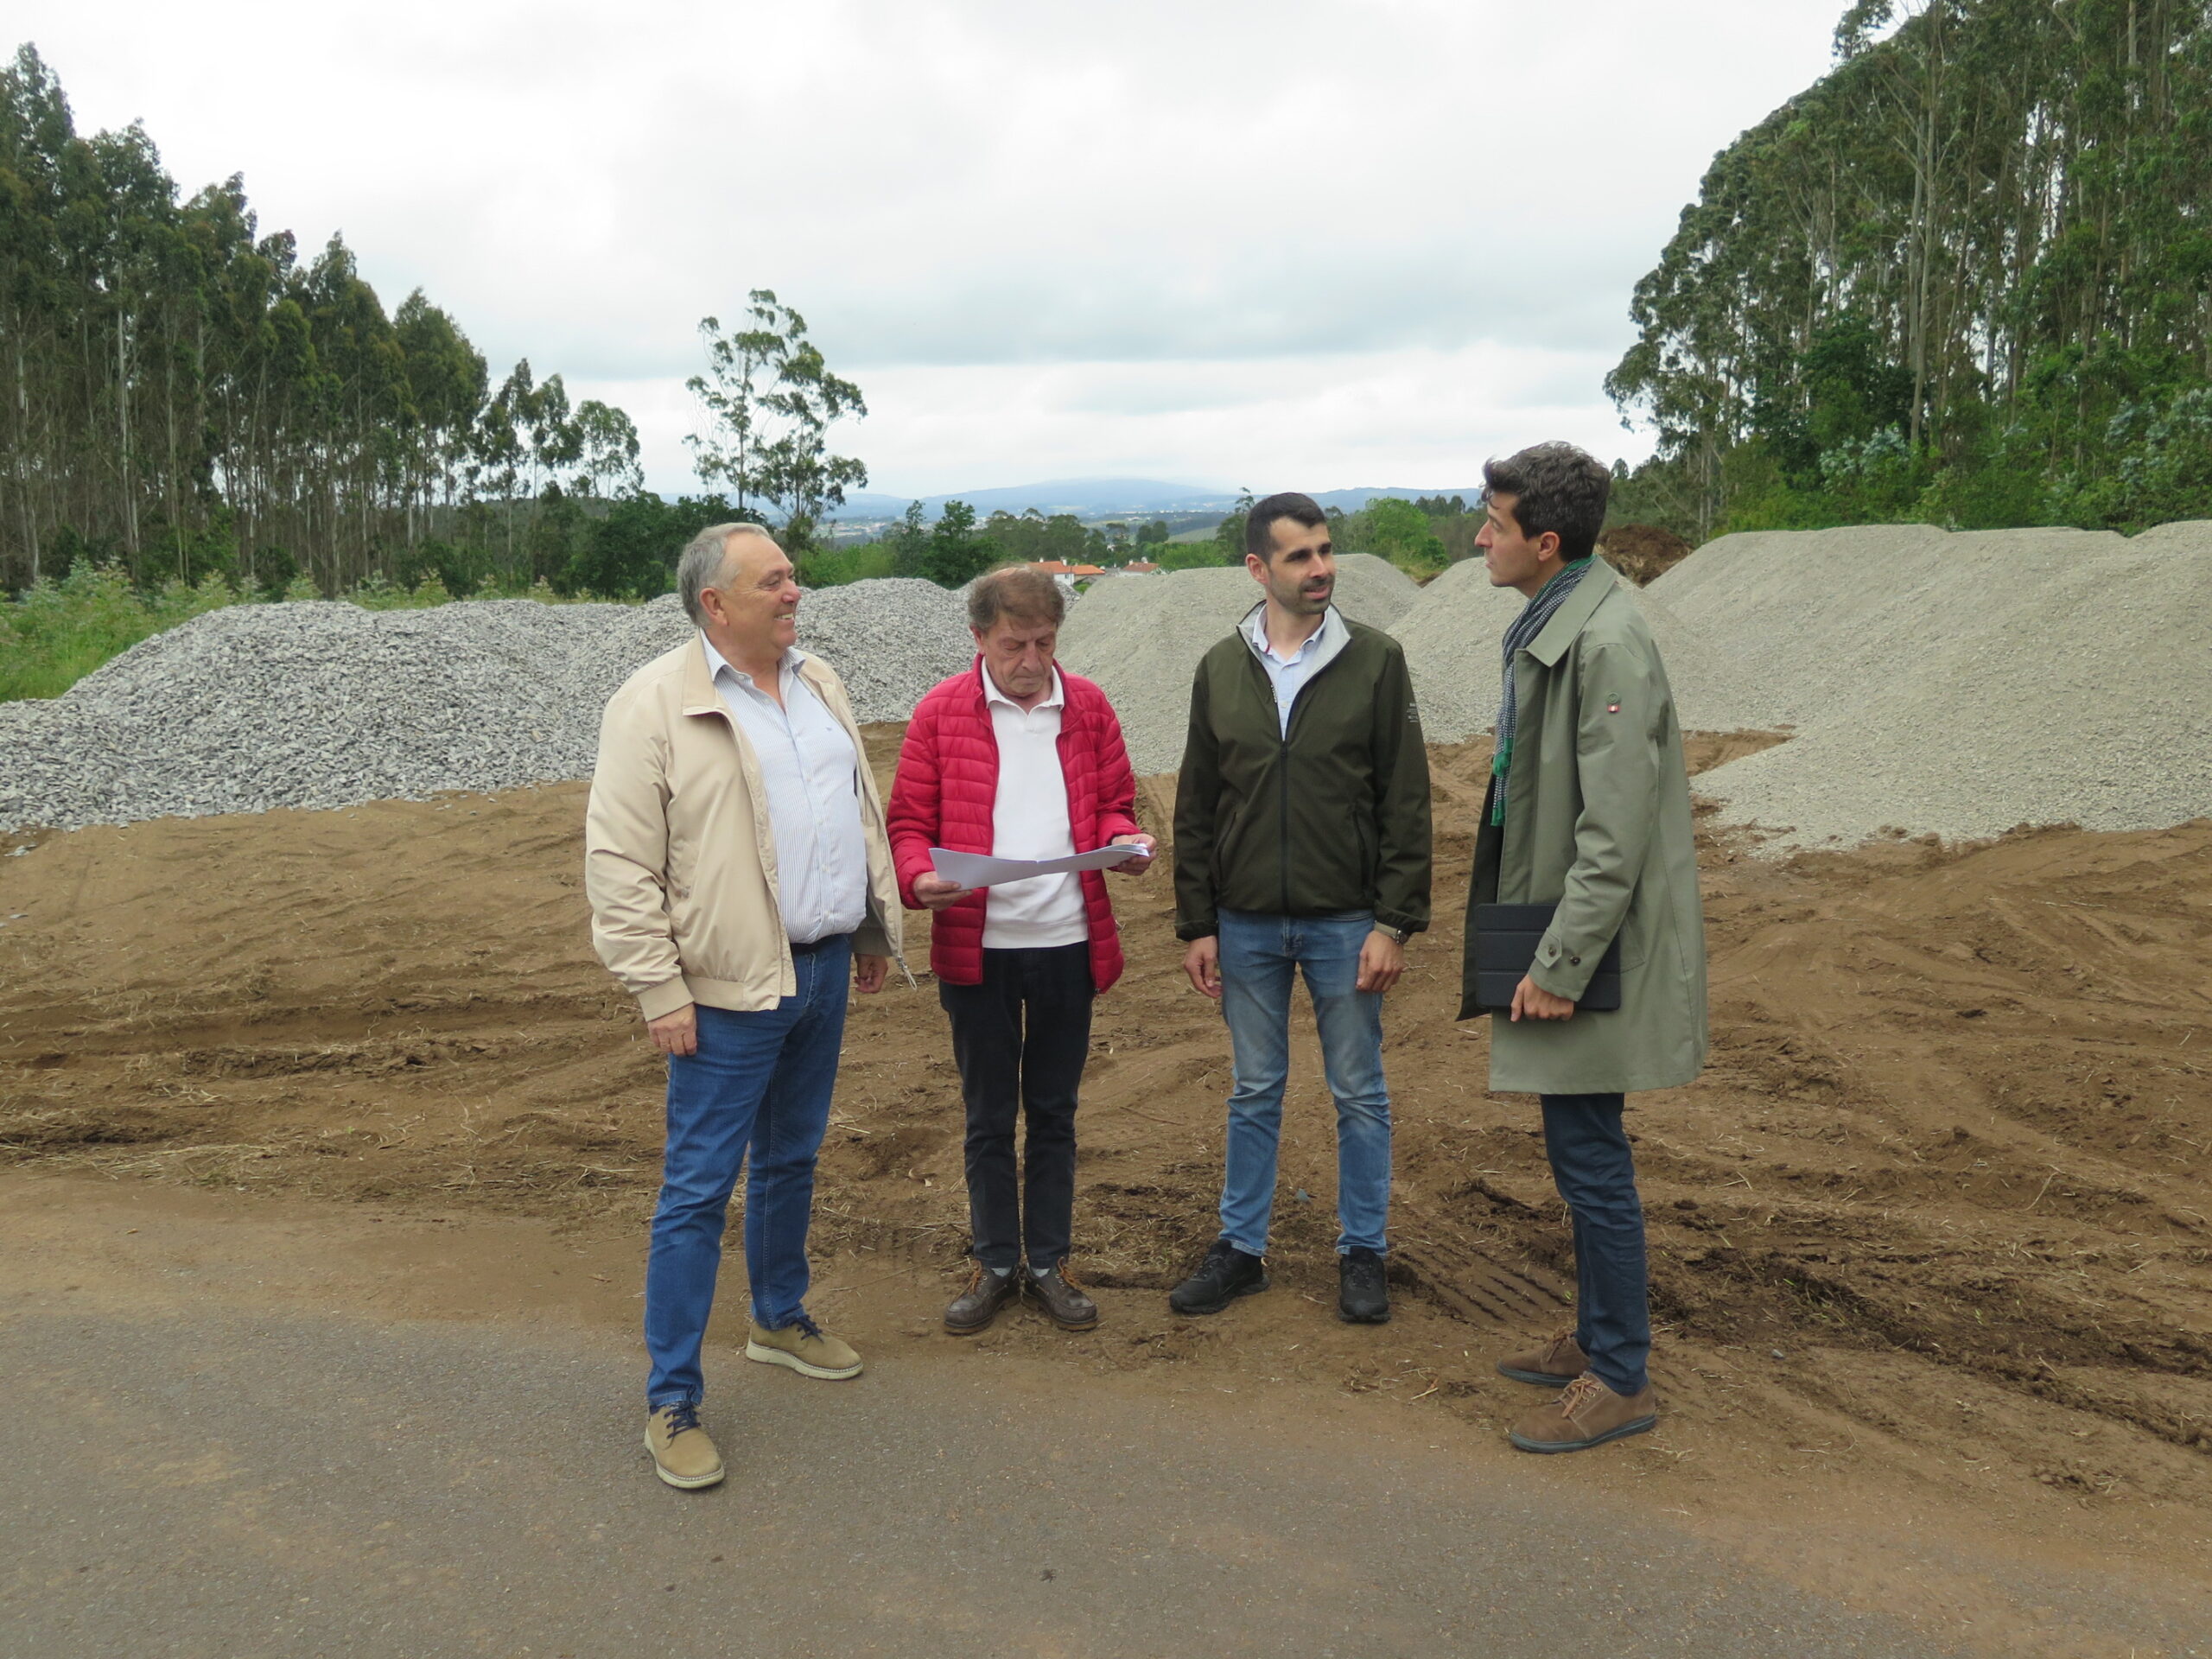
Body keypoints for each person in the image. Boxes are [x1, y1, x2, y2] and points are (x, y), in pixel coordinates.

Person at [585, 522, 904, 1491]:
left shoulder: (818, 683)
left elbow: (851, 814)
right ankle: (671, 1400)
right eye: (773, 582)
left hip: (816, 975)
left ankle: (777, 1317)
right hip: (721, 996)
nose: (794, 593)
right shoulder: (651, 707)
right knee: (695, 1193)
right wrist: (657, 987)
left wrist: (868, 930)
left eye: (793, 577)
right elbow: (619, 863)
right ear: (714, 603)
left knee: (792, 1158)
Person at [1459, 442, 1707, 1455]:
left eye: (1494, 520)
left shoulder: (1602, 645)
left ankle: (1620, 1376)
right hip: (1568, 929)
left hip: (1587, 948)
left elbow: (1613, 834)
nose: (1480, 535)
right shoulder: (1563, 622)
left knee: (1592, 1162)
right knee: (1579, 1153)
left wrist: (1557, 970)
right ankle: (1599, 1337)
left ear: (1543, 541)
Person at [1168, 492, 1431, 1324]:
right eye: (1299, 556)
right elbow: (1198, 805)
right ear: (1259, 568)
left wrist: (1392, 922)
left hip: (1344, 921)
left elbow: (1406, 802)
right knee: (1254, 1089)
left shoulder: (1377, 660)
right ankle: (1241, 1250)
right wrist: (1198, 922)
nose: (1321, 568)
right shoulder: (1220, 667)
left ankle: (1364, 1253)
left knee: (1359, 1092)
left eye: (1324, 551)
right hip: (1244, 923)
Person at [887, 565, 1155, 1335]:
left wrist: (1123, 844)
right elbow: (907, 824)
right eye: (1014, 644)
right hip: (981, 948)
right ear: (978, 639)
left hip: (1069, 944)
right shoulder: (940, 714)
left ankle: (1049, 1261)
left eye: (1044, 642)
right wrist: (919, 878)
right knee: (987, 1114)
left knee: (1055, 1112)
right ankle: (996, 1261)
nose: (1032, 660)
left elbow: (1112, 806)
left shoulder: (1089, 707)